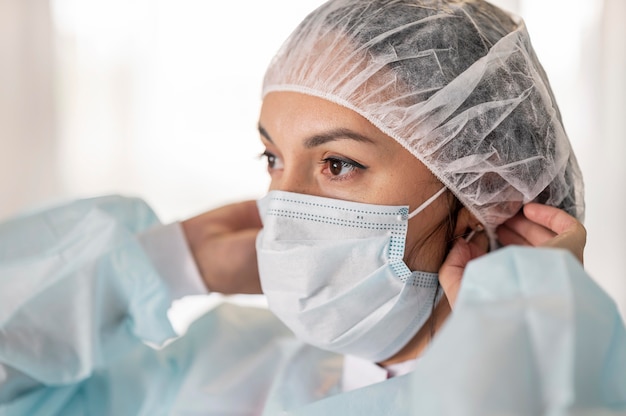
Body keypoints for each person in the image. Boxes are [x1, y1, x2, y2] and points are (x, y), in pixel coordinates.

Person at [0, 0, 624, 415]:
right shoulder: (221, 372)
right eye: (271, 159)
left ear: (478, 195)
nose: (284, 207)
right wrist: (158, 265)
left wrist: (524, 323)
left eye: (336, 164)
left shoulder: (550, 381)